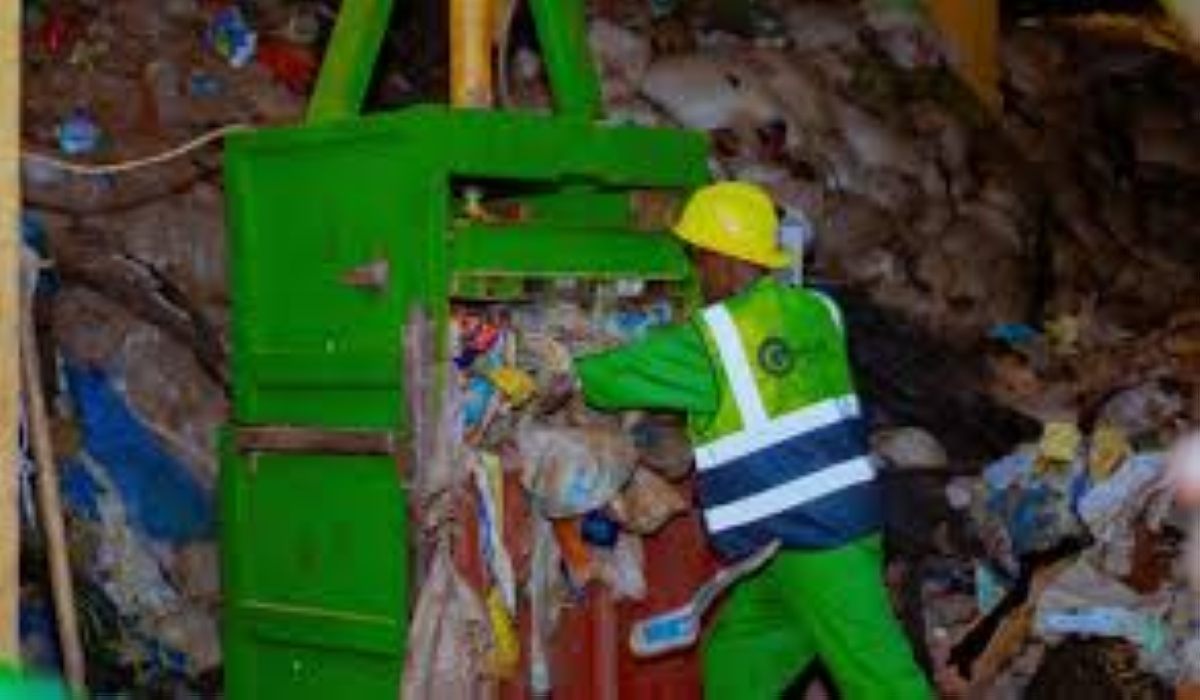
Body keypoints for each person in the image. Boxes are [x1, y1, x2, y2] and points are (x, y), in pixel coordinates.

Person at [570, 182, 931, 698]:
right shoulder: (818, 311)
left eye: (698, 257)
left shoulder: (716, 338)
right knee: (736, 665)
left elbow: (605, 379)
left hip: (820, 543)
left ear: (722, 258)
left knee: (881, 681)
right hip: (786, 541)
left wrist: (558, 364)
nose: (696, 270)